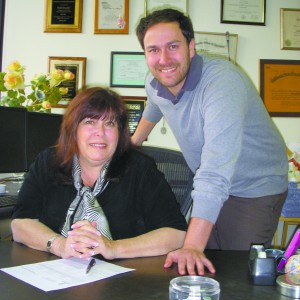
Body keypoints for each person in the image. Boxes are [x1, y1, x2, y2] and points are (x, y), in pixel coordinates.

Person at [132, 8, 288, 275]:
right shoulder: (154, 81)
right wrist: (133, 143)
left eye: (173, 46)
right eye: (153, 50)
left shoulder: (221, 83)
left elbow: (215, 168)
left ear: (191, 47)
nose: (163, 59)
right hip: (212, 185)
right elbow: (154, 106)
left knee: (235, 272)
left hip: (254, 188)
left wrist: (192, 245)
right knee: (206, 268)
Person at [11, 87, 187, 261]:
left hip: (124, 278)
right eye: (90, 122)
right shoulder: (48, 162)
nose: (100, 133)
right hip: (55, 274)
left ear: (120, 132)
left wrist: (114, 248)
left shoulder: (140, 169)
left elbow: (176, 234)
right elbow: (20, 223)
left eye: (110, 123)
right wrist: (60, 245)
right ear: (73, 129)